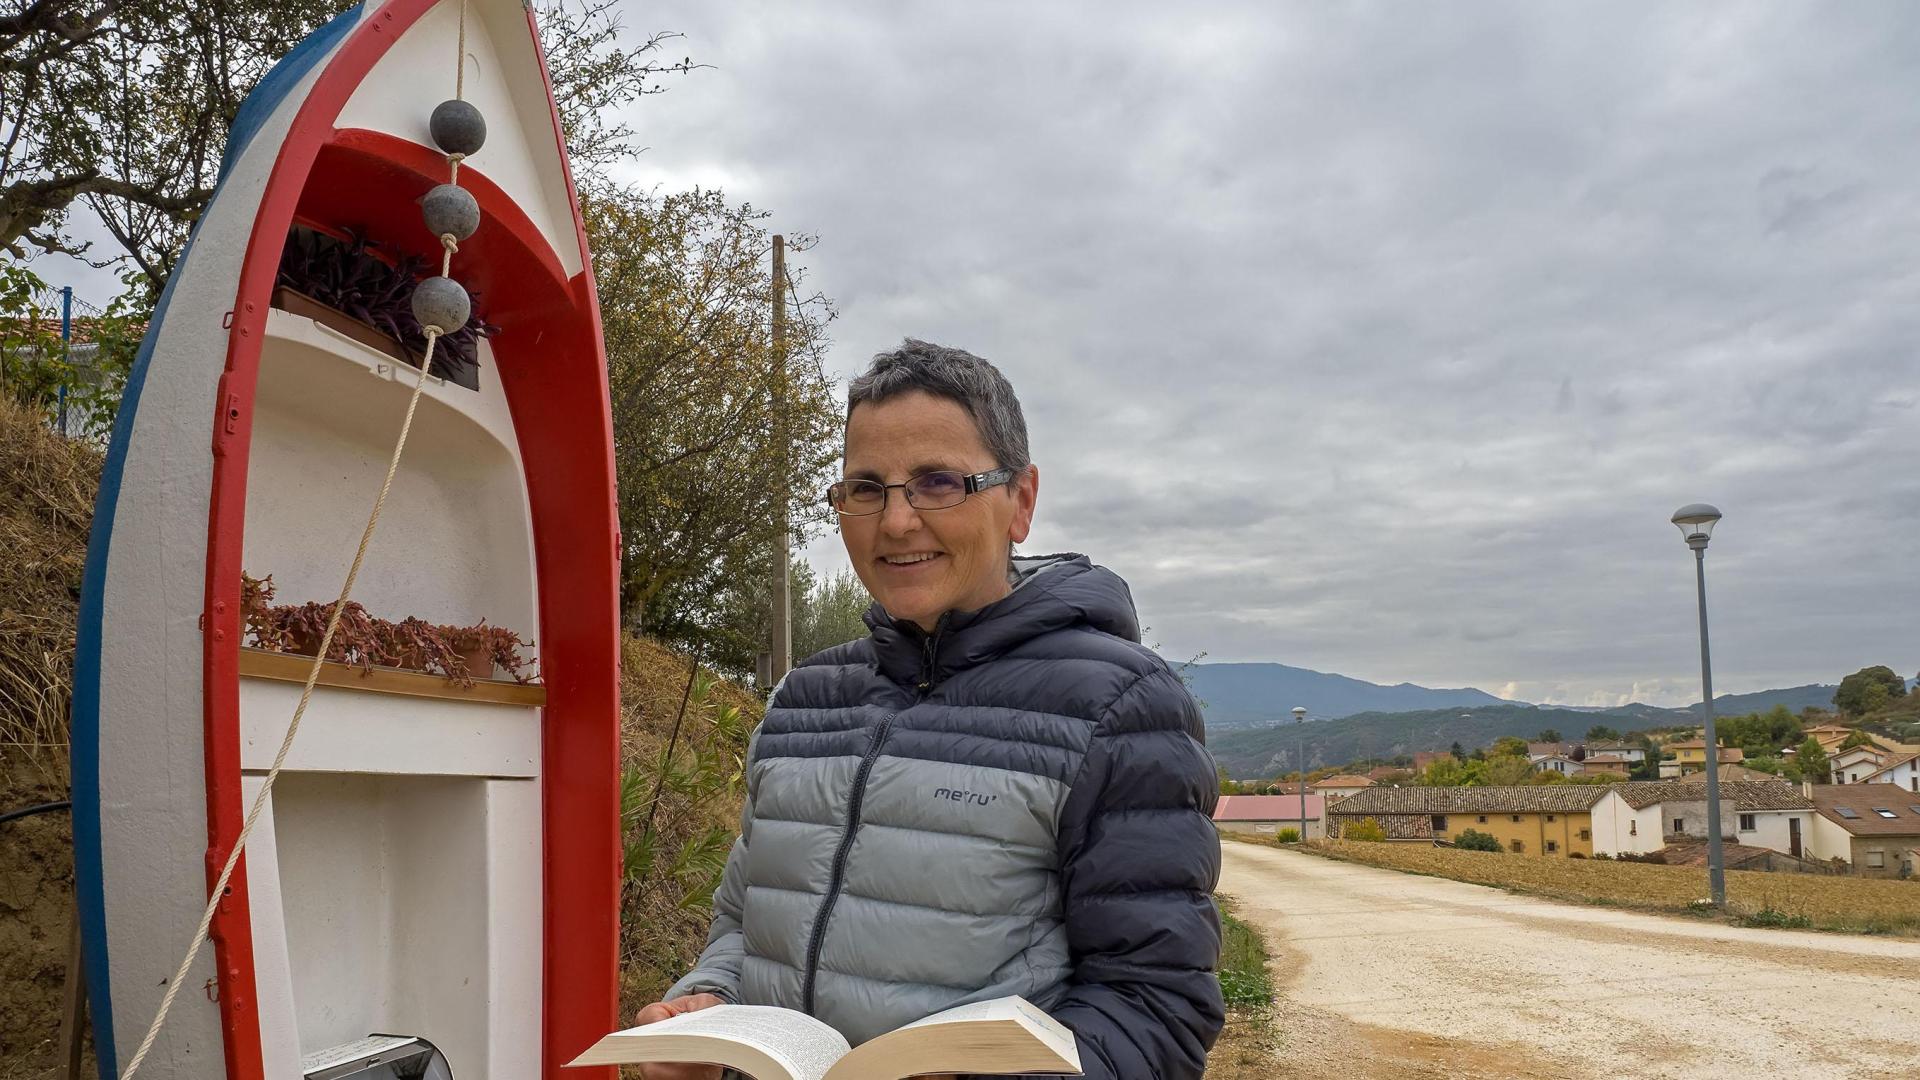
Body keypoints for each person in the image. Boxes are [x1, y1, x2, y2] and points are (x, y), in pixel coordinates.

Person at [634, 339, 1223, 1079]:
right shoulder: (802, 701)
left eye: (938, 482)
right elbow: (741, 926)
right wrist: (709, 1002)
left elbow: (1155, 1009)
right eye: (866, 487)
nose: (896, 521)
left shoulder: (1117, 709)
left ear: (1022, 501)